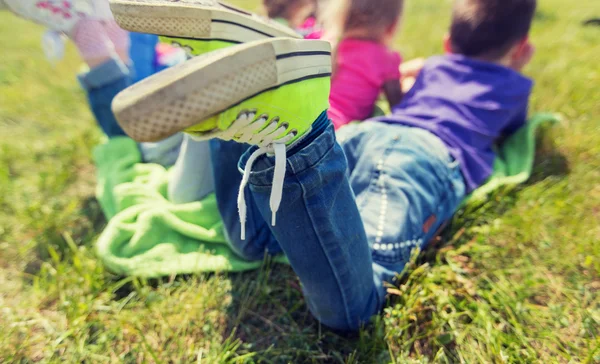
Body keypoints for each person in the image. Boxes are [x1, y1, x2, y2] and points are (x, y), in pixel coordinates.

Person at [110, 0, 536, 331]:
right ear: (521, 49)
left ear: (447, 43)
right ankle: (300, 136)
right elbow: (512, 129)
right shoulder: (514, 86)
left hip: (367, 134)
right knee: (354, 307)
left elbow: (404, 95)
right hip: (420, 158)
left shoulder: (436, 66)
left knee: (255, 244)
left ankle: (245, 109)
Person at [324, 0, 404, 129]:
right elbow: (397, 106)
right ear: (392, 25)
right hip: (339, 128)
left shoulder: (330, 45)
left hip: (316, 118)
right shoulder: (386, 58)